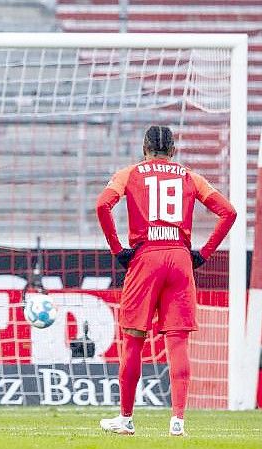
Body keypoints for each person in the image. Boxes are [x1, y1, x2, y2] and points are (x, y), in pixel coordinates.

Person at [95, 125, 236, 436]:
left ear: (144, 149)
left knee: (133, 338)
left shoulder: (129, 173)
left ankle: (127, 419)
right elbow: (228, 212)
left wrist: (118, 250)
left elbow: (102, 204)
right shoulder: (189, 176)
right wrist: (204, 253)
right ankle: (178, 422)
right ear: (174, 150)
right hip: (180, 258)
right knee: (178, 342)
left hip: (146, 258)